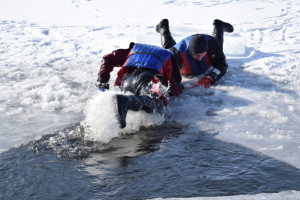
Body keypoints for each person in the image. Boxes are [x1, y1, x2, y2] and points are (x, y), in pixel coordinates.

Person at [97, 42, 183, 128]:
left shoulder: (135, 49)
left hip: (126, 81)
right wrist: (180, 88)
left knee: (137, 100)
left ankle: (120, 112)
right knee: (157, 104)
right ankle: (126, 101)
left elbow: (107, 59)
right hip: (146, 81)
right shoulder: (169, 57)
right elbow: (173, 89)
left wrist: (102, 81)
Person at [155, 19, 234, 88]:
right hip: (176, 51)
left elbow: (222, 65)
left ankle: (218, 26)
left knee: (217, 43)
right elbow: (166, 73)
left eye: (203, 54)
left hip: (209, 42)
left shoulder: (212, 46)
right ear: (190, 52)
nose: (200, 58)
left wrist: (210, 77)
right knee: (167, 51)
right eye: (197, 55)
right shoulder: (177, 54)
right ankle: (163, 28)